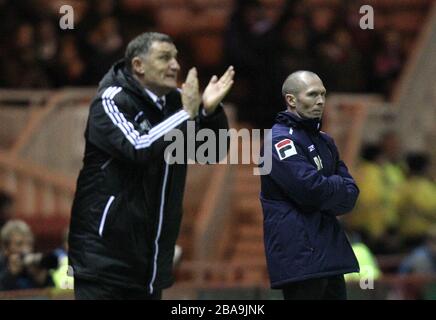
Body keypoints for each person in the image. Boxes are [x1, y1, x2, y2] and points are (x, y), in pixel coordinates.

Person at [68, 32, 234, 300]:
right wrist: (186, 114)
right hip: (103, 262)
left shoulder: (178, 103)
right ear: (138, 66)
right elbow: (138, 147)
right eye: (165, 57)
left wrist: (209, 112)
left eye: (176, 58)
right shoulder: (112, 99)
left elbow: (210, 152)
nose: (176, 65)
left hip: (150, 265)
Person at [260, 71, 360, 300]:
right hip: (301, 255)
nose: (321, 101)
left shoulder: (325, 141)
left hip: (329, 253)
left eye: (323, 94)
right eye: (313, 94)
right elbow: (311, 191)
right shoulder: (278, 141)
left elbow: (352, 194)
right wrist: (335, 184)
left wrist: (329, 187)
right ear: (291, 100)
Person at [0, 220, 54, 291]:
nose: (26, 249)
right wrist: (10, 274)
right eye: (19, 244)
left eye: (29, 244)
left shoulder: (35, 266)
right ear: (5, 248)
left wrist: (44, 280)